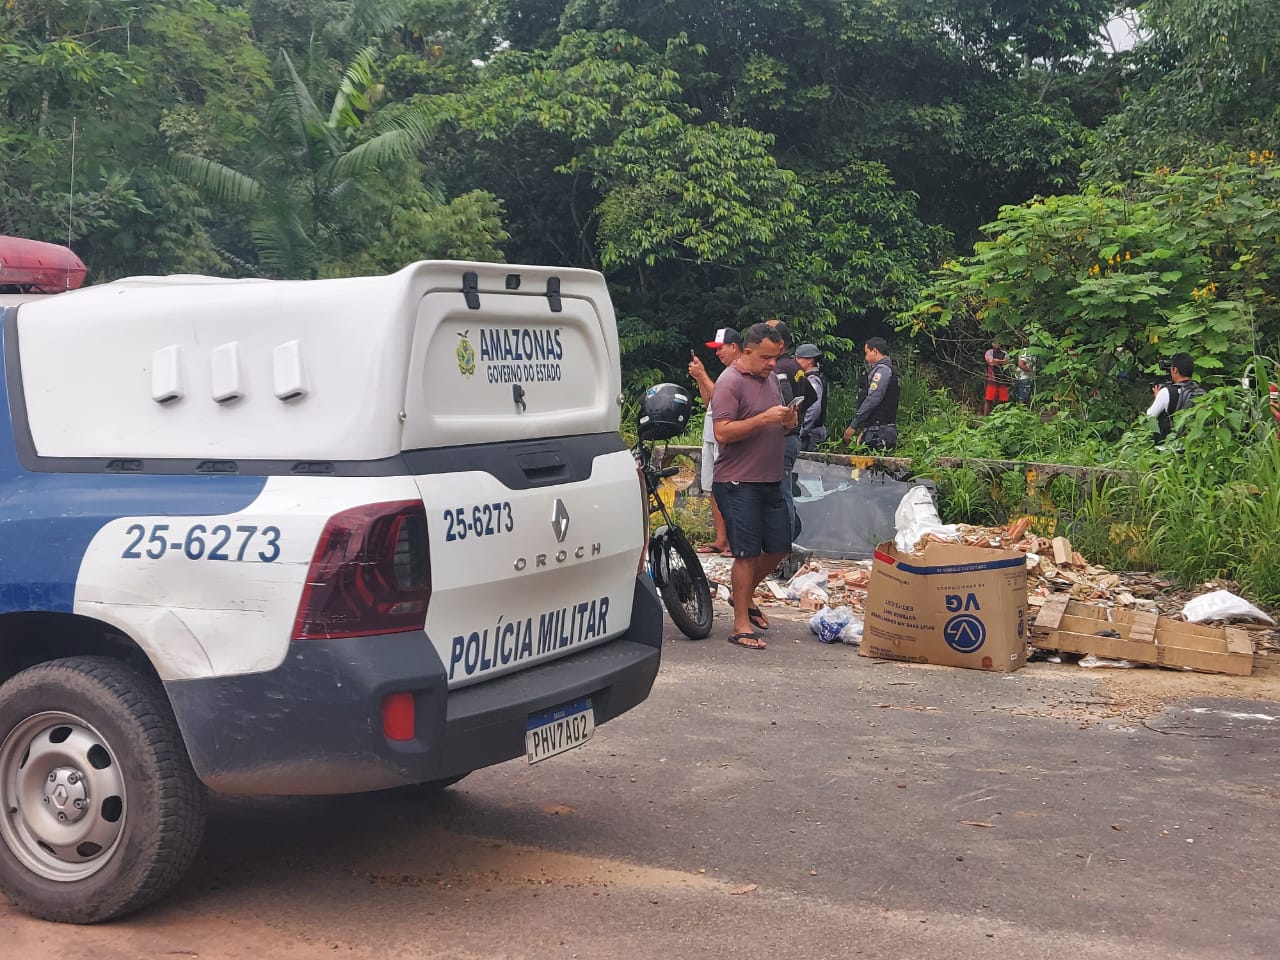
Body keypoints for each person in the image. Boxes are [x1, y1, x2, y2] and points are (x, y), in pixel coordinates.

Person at [710, 323, 798, 650]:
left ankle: (741, 596)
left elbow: (782, 424)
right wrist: (763, 420)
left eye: (776, 357)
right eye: (766, 357)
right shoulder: (729, 383)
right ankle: (740, 626)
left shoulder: (772, 379)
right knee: (745, 553)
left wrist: (789, 421)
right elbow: (722, 433)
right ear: (747, 352)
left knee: (778, 547)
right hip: (737, 482)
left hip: (770, 478)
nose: (773, 364)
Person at [688, 327, 742, 555]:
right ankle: (721, 539)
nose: (718, 353)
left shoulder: (739, 373)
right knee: (712, 488)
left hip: (725, 437)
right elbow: (709, 400)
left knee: (730, 489)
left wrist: (702, 375)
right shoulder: (724, 374)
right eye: (716, 349)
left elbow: (721, 399)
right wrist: (699, 379)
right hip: (710, 435)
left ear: (734, 347)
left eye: (721, 348)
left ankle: (735, 541)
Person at [763, 319, 817, 543]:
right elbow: (811, 397)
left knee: (781, 493)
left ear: (780, 342)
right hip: (792, 438)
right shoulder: (795, 366)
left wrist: (787, 419)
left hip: (783, 438)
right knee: (782, 493)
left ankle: (785, 547)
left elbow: (784, 397)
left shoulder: (779, 369)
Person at [843, 337, 899, 451]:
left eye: (867, 353)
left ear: (875, 351)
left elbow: (873, 399)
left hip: (880, 431)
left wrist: (854, 425)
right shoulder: (883, 369)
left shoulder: (882, 371)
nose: (865, 357)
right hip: (877, 429)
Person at [1146, 353, 1204, 442]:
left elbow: (1149, 417)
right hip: (1193, 445)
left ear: (1175, 370)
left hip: (1169, 448)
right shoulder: (1200, 392)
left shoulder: (1166, 392)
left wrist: (1158, 397)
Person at [795, 343, 827, 451]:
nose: (796, 361)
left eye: (799, 358)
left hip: (811, 434)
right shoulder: (810, 378)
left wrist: (803, 429)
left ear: (809, 360)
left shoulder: (812, 380)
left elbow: (814, 407)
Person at [983, 338, 1010, 415]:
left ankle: (1004, 417)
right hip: (992, 379)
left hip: (1003, 378)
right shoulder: (989, 352)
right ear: (992, 344)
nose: (997, 344)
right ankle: (985, 417)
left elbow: (1007, 363)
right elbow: (991, 362)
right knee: (988, 399)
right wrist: (1000, 361)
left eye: (998, 343)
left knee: (1004, 399)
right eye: (995, 343)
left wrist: (997, 361)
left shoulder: (1004, 353)